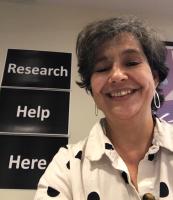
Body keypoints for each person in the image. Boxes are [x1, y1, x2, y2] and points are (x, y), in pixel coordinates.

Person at [34, 16, 173, 200]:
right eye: (102, 68)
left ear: (155, 77)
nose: (116, 75)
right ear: (92, 89)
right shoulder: (66, 166)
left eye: (131, 62)